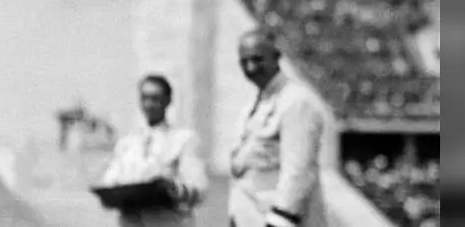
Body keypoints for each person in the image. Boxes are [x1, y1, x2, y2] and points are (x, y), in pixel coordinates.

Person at [229, 30, 329, 227]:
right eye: (244, 61)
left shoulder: (296, 101)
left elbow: (299, 169)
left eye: (258, 59)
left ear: (276, 57)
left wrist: (282, 217)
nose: (251, 67)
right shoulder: (253, 104)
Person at [99, 75, 209, 227]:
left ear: (168, 100)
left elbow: (198, 190)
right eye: (144, 98)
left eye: (155, 98)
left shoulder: (183, 140)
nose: (149, 104)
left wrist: (172, 188)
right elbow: (109, 182)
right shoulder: (127, 144)